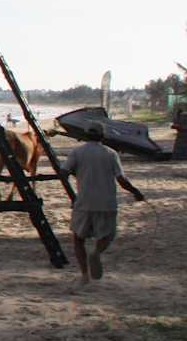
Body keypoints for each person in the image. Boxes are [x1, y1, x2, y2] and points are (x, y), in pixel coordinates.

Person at [62, 121, 144, 284]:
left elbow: (63, 173)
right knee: (108, 234)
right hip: (106, 202)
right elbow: (121, 180)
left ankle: (84, 274)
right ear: (102, 136)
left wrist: (78, 178)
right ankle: (97, 252)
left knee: (78, 238)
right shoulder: (111, 153)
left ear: (85, 135)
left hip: (84, 202)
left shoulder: (77, 152)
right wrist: (136, 192)